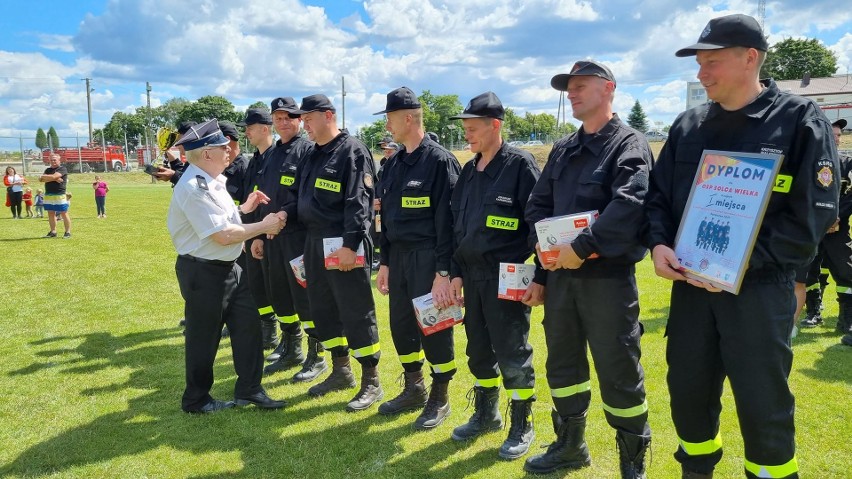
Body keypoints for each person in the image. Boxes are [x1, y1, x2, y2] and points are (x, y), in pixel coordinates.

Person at [645, 14, 839, 479]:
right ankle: (696, 470)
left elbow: (816, 211)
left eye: (711, 61)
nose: (701, 73)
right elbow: (657, 199)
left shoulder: (797, 121)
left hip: (758, 293)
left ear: (750, 58)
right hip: (692, 290)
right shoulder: (688, 126)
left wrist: (741, 263)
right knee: (688, 392)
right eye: (699, 63)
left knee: (762, 402)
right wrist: (657, 245)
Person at [523, 61, 653, 478]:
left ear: (608, 89)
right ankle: (570, 446)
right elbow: (539, 206)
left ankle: (632, 460)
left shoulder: (628, 144)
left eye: (581, 86)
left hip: (607, 281)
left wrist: (583, 247)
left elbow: (629, 205)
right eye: (569, 88)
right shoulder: (563, 149)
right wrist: (542, 271)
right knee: (562, 365)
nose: (572, 93)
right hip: (561, 279)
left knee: (618, 368)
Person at [167, 118, 287, 414]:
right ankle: (196, 399)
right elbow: (222, 235)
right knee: (203, 338)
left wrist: (243, 209)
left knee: (249, 328)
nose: (230, 151)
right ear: (206, 153)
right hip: (203, 271)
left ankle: (250, 389)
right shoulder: (194, 187)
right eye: (222, 148)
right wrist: (264, 224)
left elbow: (224, 217)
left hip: (229, 267)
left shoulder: (211, 180)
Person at [447, 91, 541, 460]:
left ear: (495, 125)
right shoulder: (469, 171)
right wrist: (454, 272)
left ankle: (523, 421)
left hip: (508, 274)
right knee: (478, 349)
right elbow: (457, 227)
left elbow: (538, 224)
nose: (467, 135)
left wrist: (541, 275)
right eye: (465, 128)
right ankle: (487, 414)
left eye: (473, 128)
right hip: (471, 275)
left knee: (512, 348)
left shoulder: (520, 165)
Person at [373, 87, 461, 429]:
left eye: (391, 119)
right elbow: (388, 219)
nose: (388, 126)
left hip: (430, 257)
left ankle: (440, 396)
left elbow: (449, 223)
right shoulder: (393, 164)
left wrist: (443, 272)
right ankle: (414, 387)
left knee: (434, 326)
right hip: (400, 259)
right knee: (402, 325)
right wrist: (385, 262)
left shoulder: (440, 161)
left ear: (409, 118)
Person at [294, 94, 384, 412]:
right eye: (302, 119)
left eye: (309, 117)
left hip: (344, 242)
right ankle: (340, 370)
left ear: (329, 116)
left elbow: (359, 201)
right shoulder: (312, 154)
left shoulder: (352, 150)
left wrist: (350, 245)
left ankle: (371, 379)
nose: (304, 123)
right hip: (315, 242)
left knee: (355, 310)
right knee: (323, 309)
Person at [250, 97, 325, 381]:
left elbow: (306, 198)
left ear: (298, 120)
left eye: (288, 118)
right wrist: (258, 233)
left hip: (297, 237)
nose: (283, 123)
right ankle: (291, 347)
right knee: (279, 293)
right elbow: (262, 198)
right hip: (270, 238)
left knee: (304, 297)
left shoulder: (307, 151)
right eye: (277, 118)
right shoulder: (270, 154)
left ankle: (316, 354)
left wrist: (283, 216)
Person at [798, 118, 852, 336]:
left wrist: (836, 217)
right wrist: (819, 219)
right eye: (833, 134)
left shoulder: (848, 163)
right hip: (810, 228)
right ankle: (813, 312)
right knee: (808, 271)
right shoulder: (806, 163)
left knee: (845, 271)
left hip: (838, 230)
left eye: (839, 135)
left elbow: (850, 196)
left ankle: (846, 319)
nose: (837, 139)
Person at [237, 108, 281, 350]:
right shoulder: (255, 160)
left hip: (269, 234)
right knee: (257, 283)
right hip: (253, 230)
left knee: (275, 287)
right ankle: (267, 329)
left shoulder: (277, 157)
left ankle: (281, 336)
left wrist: (261, 234)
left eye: (250, 128)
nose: (247, 133)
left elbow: (273, 200)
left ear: (265, 129)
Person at [154, 121, 197, 186]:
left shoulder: (202, 160)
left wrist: (173, 176)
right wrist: (173, 159)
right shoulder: (192, 160)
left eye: (180, 141)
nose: (177, 145)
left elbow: (195, 185)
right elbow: (183, 174)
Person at [39, 154, 71, 239]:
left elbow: (53, 176)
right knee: (51, 213)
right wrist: (54, 178)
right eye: (51, 160)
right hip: (49, 194)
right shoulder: (48, 169)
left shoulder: (62, 169)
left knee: (63, 213)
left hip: (59, 194)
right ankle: (53, 232)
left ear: (59, 160)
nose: (53, 161)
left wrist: (50, 177)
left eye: (55, 160)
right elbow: (41, 180)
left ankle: (67, 232)